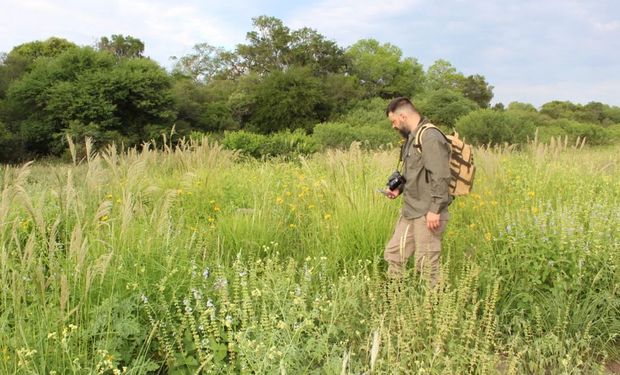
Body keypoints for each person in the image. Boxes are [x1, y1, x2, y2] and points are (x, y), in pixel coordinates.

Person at [383, 97, 452, 288]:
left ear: (403, 116)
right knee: (394, 254)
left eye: (394, 121)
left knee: (427, 266)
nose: (393, 126)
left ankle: (434, 310)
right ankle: (393, 300)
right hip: (410, 210)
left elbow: (440, 176)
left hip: (427, 213)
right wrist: (398, 189)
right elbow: (413, 172)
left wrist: (435, 209)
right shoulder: (411, 138)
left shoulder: (430, 137)